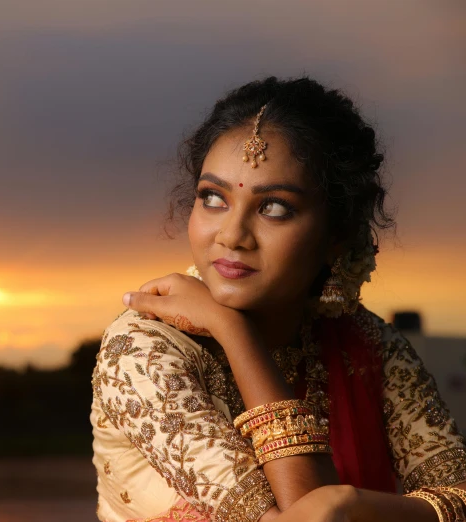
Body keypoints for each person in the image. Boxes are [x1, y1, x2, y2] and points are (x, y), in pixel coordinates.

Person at [90, 76, 466, 522]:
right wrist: (232, 329)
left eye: (275, 208)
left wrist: (349, 503)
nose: (231, 235)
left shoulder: (368, 346)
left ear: (335, 236)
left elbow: (457, 491)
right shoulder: (141, 349)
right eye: (213, 198)